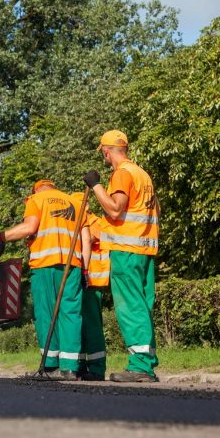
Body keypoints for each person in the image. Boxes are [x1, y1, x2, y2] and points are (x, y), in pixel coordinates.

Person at [84, 129, 161, 383]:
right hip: (145, 249)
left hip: (127, 250)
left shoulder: (122, 174)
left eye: (103, 153)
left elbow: (116, 210)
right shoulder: (143, 174)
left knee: (130, 307)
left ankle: (139, 366)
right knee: (143, 305)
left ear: (107, 151)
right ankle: (146, 362)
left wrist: (96, 186)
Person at [0, 180, 88, 380]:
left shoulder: (37, 199)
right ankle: (69, 368)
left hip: (45, 263)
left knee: (46, 313)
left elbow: (29, 227)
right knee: (70, 313)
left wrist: (0, 237)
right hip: (73, 265)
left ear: (35, 189)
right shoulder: (75, 203)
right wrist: (85, 270)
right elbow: (85, 238)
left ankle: (50, 366)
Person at [71, 191, 109, 381]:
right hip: (81, 281)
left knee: (92, 327)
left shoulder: (94, 223)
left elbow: (84, 240)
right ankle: (82, 365)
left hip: (91, 282)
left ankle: (97, 368)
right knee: (80, 326)